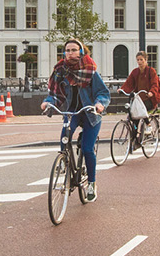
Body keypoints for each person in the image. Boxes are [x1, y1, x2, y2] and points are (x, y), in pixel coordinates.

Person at [41, 39, 110, 201]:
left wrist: (99, 104)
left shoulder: (90, 70)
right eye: (68, 50)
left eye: (74, 49)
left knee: (87, 149)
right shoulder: (60, 71)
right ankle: (64, 162)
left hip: (90, 113)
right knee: (64, 137)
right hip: (72, 112)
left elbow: (103, 92)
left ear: (80, 51)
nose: (70, 53)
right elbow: (54, 94)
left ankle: (92, 183)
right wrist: (48, 102)